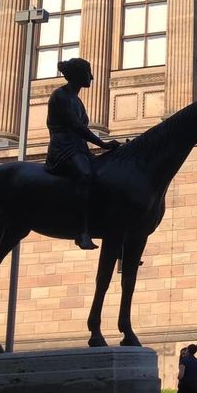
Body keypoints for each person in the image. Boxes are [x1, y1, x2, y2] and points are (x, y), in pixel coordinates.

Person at [45, 58, 120, 250]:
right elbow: (77, 127)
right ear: (78, 75)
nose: (92, 77)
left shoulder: (76, 99)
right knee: (85, 174)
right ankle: (80, 230)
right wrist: (102, 144)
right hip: (64, 148)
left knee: (106, 174)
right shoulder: (60, 96)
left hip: (79, 148)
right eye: (89, 73)